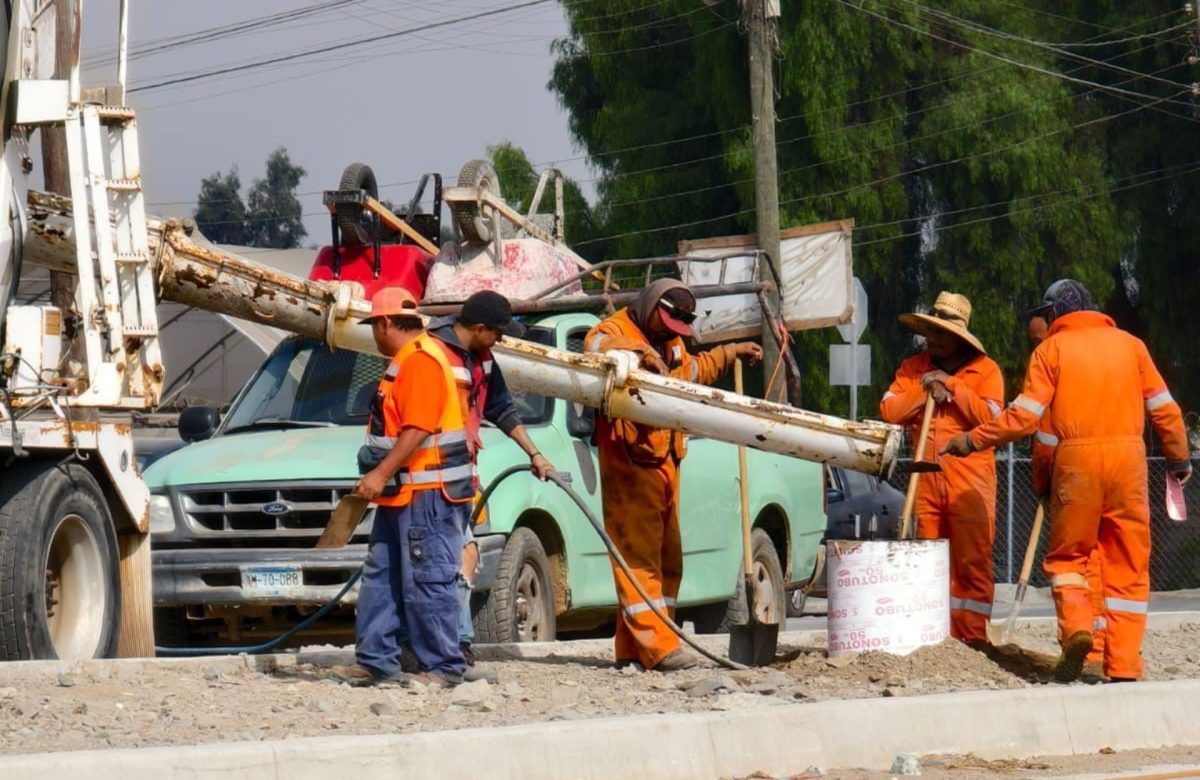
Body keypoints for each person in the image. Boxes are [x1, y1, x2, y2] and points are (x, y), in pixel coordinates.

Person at [943, 280, 1191, 682]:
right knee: (1128, 565)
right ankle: (1124, 665)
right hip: (1130, 463)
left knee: (1069, 560)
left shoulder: (1050, 351)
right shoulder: (1132, 346)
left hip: (1076, 464)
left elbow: (1028, 422)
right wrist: (1178, 459)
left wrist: (974, 439)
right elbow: (1165, 410)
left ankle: (1077, 630)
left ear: (1056, 315)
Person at [585, 279, 762, 671]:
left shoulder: (673, 343)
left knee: (668, 560)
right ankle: (661, 649)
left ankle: (636, 647)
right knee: (639, 560)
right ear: (650, 308)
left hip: (666, 464)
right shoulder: (615, 330)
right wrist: (638, 353)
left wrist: (730, 351)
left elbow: (693, 371)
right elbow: (594, 346)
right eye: (666, 326)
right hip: (630, 466)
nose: (669, 335)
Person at [338, 286, 473, 688]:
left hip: (426, 495)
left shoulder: (420, 361)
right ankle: (376, 659)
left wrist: (379, 474)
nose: (373, 336)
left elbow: (417, 428)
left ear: (384, 323)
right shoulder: (409, 359)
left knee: (428, 578)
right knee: (383, 574)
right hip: (403, 493)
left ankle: (444, 666)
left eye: (373, 327)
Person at [426, 290, 557, 666]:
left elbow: (502, 409)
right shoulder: (435, 354)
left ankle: (457, 644)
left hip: (459, 478)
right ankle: (445, 648)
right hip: (430, 480)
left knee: (463, 557)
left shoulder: (482, 361)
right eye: (498, 333)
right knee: (448, 562)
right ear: (480, 328)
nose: (501, 339)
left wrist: (534, 453)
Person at [880, 291, 1004, 646]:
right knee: (927, 561)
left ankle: (972, 639)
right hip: (926, 480)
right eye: (929, 332)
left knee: (972, 562)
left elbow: (992, 421)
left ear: (958, 337)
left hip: (970, 483)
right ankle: (932, 636)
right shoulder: (913, 368)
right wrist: (925, 390)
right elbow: (890, 410)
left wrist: (952, 387)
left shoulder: (986, 371)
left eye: (940, 333)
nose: (931, 339)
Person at [1027, 312, 1105, 667]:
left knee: (1070, 560)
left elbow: (1044, 439)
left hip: (1075, 474)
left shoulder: (1053, 365)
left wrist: (1041, 482)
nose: (1041, 344)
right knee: (1104, 560)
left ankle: (1078, 632)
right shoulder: (1106, 357)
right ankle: (1107, 647)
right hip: (1122, 470)